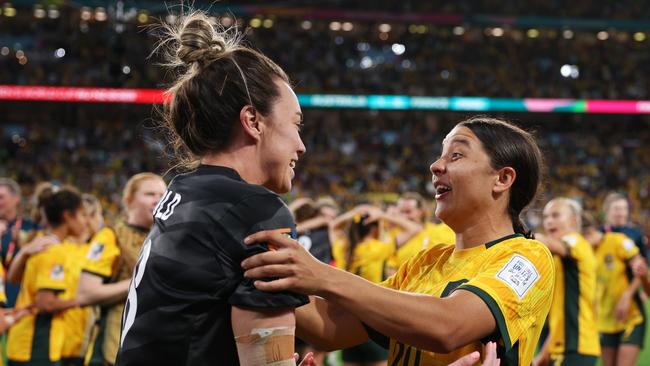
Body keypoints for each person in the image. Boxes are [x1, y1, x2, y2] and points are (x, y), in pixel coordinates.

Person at [242, 116, 556, 366]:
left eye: (457, 154)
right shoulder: (428, 260)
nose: (436, 166)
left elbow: (450, 326)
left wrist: (321, 275)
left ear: (502, 179)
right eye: (441, 154)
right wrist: (260, 257)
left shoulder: (528, 257)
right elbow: (330, 326)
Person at [115, 11, 311, 366]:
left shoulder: (185, 191)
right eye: (296, 124)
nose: (301, 145)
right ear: (253, 121)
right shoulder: (255, 208)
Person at [78, 173, 166, 366]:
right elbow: (85, 293)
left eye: (162, 194)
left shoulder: (169, 239)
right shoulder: (110, 236)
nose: (158, 199)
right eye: (150, 194)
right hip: (114, 347)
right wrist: (140, 280)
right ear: (129, 200)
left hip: (156, 346)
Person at [7, 187, 87, 365]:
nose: (85, 222)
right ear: (67, 216)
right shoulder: (53, 251)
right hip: (36, 343)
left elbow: (14, 279)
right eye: (82, 215)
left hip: (29, 342)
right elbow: (46, 303)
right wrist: (82, 299)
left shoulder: (44, 243)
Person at [534, 198, 600, 366]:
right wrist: (543, 354)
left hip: (578, 347)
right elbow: (561, 317)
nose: (549, 220)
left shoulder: (576, 241)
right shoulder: (559, 260)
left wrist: (522, 235)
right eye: (546, 216)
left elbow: (551, 244)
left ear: (573, 220)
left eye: (556, 215)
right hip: (562, 347)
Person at [583, 212, 646, 366]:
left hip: (630, 318)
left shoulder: (618, 241)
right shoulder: (586, 252)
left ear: (588, 232)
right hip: (604, 321)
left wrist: (627, 296)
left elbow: (641, 267)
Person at [0, 178, 39, 307]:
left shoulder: (31, 228)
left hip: (17, 301)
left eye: (1, 197)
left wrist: (22, 246)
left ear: (16, 198)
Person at [602, 193, 648, 261]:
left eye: (624, 208)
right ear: (606, 210)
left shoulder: (636, 234)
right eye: (616, 209)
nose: (621, 213)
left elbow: (645, 261)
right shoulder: (599, 233)